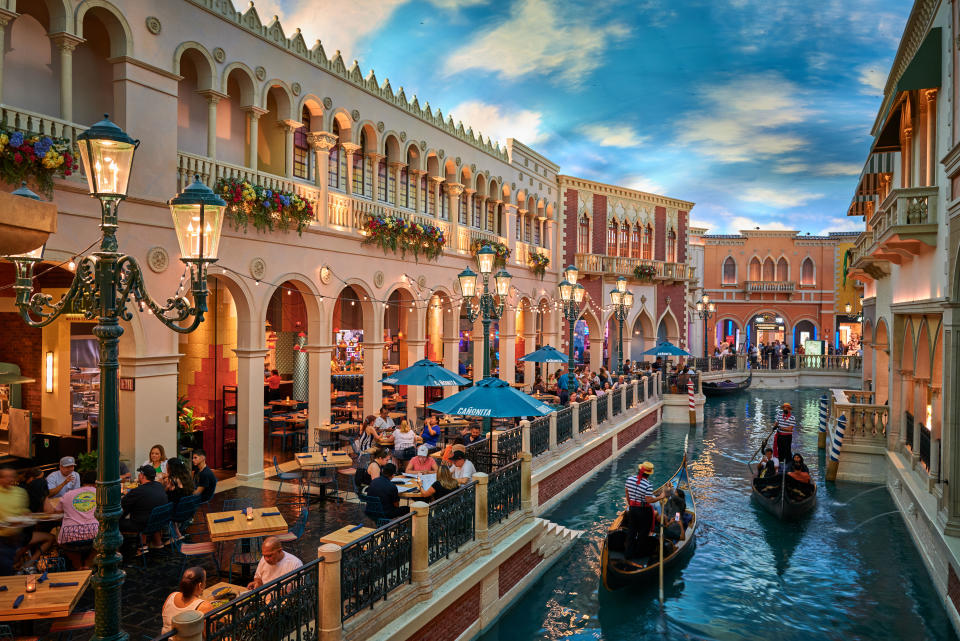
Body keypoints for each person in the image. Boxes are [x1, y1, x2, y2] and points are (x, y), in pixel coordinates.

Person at [56, 470, 98, 570]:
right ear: (97, 482)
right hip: (94, 533)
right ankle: (88, 564)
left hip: (69, 535)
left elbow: (57, 512)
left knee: (58, 535)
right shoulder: (101, 495)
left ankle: (78, 567)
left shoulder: (68, 494)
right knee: (105, 539)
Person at [120, 466, 169, 551]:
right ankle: (152, 543)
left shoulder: (138, 491)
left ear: (142, 475)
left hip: (143, 525)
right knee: (143, 509)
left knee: (114, 523)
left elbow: (123, 504)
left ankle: (117, 552)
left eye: (140, 473)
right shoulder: (160, 486)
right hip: (159, 521)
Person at [624, 461, 663, 560]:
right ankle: (639, 554)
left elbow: (627, 493)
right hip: (644, 511)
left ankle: (628, 554)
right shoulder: (647, 485)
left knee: (632, 531)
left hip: (633, 509)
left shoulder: (629, 479)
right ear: (648, 474)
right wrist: (661, 497)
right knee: (643, 532)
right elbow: (649, 500)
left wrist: (631, 504)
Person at [162, 567, 213, 635]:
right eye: (205, 581)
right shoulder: (204, 606)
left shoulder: (171, 596)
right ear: (199, 585)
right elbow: (210, 636)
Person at [0, 467, 27, 575]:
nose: (10, 479)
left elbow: (23, 510)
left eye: (12, 476)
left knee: (11, 565)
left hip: (16, 537)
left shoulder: (20, 492)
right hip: (1, 538)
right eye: (6, 477)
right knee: (5, 568)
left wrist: (26, 514)